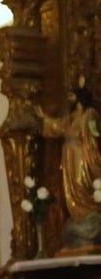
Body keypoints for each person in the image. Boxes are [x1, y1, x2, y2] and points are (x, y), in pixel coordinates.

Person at [38, 77, 101, 248]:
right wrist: (43, 117)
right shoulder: (71, 117)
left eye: (73, 96)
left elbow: (94, 135)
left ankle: (88, 212)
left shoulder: (89, 114)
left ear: (80, 97)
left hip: (82, 154)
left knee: (82, 185)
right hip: (68, 159)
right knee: (72, 188)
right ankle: (78, 215)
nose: (70, 99)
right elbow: (58, 127)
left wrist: (93, 150)